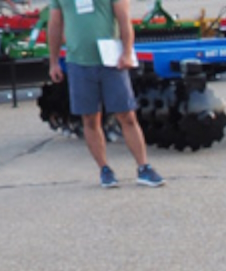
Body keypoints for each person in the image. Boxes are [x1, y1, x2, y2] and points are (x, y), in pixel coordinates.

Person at [45, 0, 165, 188]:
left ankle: (144, 167)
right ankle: (104, 169)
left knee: (127, 115)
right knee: (90, 118)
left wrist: (127, 52)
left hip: (111, 61)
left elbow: (124, 19)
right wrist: (53, 62)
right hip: (78, 63)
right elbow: (55, 24)